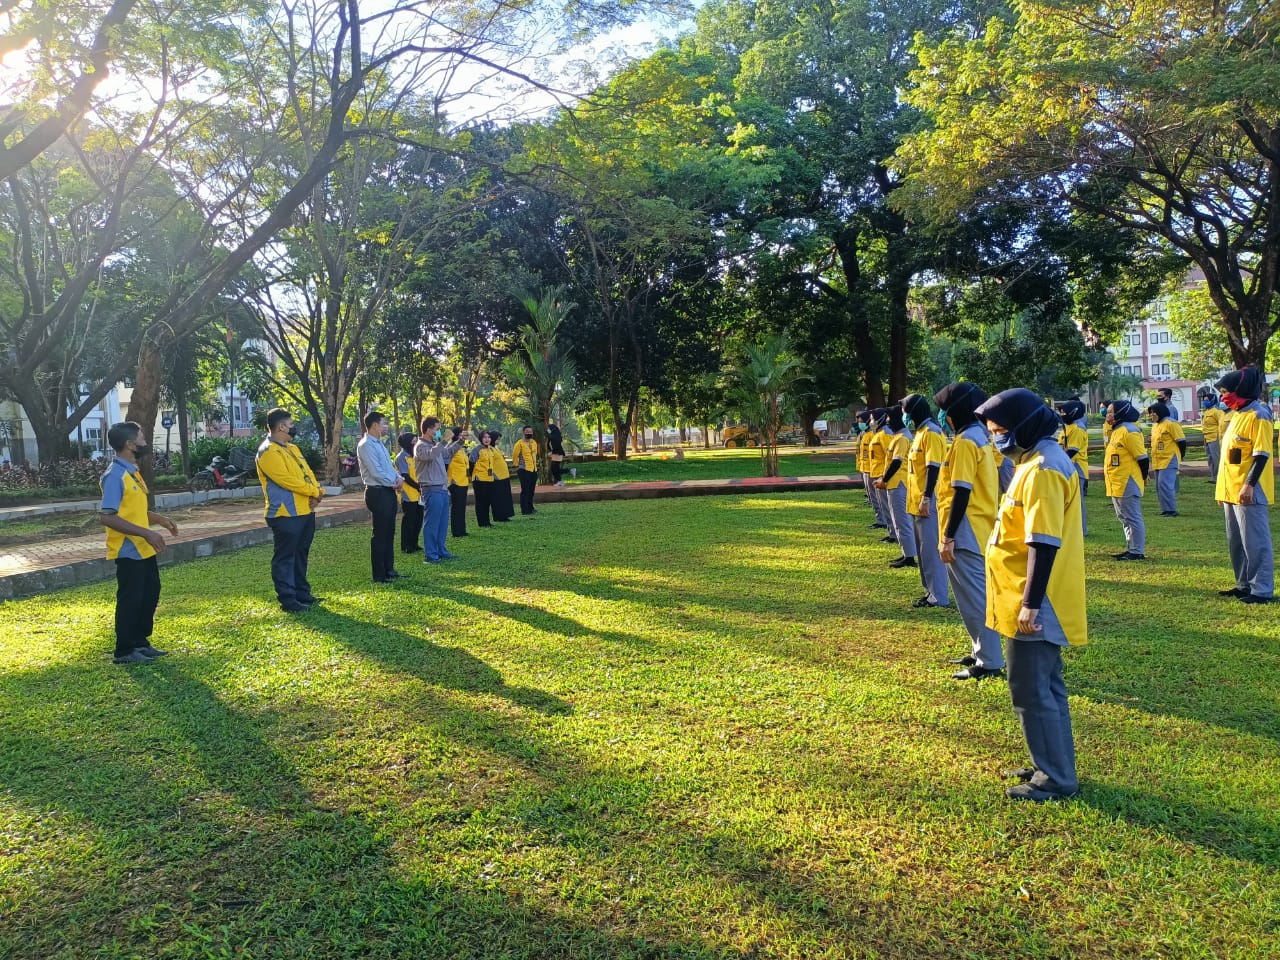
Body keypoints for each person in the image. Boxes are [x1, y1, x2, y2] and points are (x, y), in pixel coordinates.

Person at [975, 388, 1086, 802]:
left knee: (1031, 690)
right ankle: (1051, 764)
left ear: (1024, 425)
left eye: (1001, 431)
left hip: (1038, 601)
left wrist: (1031, 604)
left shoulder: (1043, 468)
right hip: (1022, 597)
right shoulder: (1031, 461)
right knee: (1046, 687)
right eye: (992, 431)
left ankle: (1055, 779)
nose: (996, 439)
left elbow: (1043, 542)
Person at [934, 383, 1004, 681]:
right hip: (977, 526)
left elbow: (961, 491)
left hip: (966, 530)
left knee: (974, 598)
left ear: (954, 413)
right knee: (974, 596)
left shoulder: (966, 441)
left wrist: (948, 536)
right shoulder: (979, 437)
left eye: (945, 411)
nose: (942, 416)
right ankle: (981, 650)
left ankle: (988, 660)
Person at [99, 421, 179, 664]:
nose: (146, 440)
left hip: (143, 548)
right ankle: (124, 650)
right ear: (130, 444)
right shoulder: (115, 475)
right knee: (131, 598)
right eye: (142, 436)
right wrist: (146, 533)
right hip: (127, 549)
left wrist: (160, 521)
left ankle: (141, 643)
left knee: (149, 594)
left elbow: (135, 511)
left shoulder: (132, 471)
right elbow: (107, 516)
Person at [1214, 367, 1274, 604]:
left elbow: (1261, 454)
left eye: (1226, 391)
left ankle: (1261, 589)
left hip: (1249, 488)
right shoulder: (1237, 414)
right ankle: (1243, 584)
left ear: (1241, 390)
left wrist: (1249, 484)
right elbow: (1229, 457)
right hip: (1230, 488)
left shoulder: (1260, 414)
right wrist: (1222, 489)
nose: (1223, 396)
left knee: (1255, 541)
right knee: (1236, 541)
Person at [256, 408, 324, 612]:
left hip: (305, 511)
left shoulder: (292, 448)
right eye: (291, 424)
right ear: (281, 426)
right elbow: (287, 481)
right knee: (285, 557)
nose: (294, 427)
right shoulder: (268, 451)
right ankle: (288, 599)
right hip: (285, 514)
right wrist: (314, 491)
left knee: (301, 553)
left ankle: (302, 593)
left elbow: (307, 472)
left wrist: (316, 493)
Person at [901, 394, 950, 608]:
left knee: (931, 550)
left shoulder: (931, 433)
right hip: (916, 501)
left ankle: (938, 595)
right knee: (923, 551)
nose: (904, 414)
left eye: (905, 410)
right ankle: (930, 592)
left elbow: (933, 467)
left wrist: (927, 496)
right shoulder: (920, 433)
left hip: (927, 501)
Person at [356, 410, 405, 584]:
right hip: (377, 492)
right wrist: (395, 482)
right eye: (384, 423)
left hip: (388, 491)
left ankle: (389, 569)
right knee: (380, 533)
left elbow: (389, 467)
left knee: (389, 531)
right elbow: (376, 472)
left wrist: (399, 478)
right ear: (375, 425)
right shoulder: (366, 445)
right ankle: (379, 574)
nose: (386, 426)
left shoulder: (379, 444)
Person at [415, 417, 469, 563]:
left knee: (442, 523)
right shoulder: (420, 446)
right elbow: (430, 455)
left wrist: (460, 442)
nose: (439, 431)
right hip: (431, 489)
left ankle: (441, 550)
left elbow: (447, 453)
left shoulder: (435, 445)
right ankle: (431, 555)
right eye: (437, 429)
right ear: (428, 429)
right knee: (432, 523)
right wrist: (444, 440)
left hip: (442, 488)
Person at [1103, 400, 1149, 561]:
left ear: (1120, 412)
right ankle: (1131, 548)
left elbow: (1142, 458)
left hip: (1128, 480)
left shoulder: (1130, 431)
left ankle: (1137, 551)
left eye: (1110, 411)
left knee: (1132, 517)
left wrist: (1144, 476)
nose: (1107, 414)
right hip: (1117, 480)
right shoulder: (1116, 430)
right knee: (1124, 517)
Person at [875, 406, 916, 568]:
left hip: (899, 483)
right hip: (893, 483)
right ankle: (906, 552)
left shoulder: (903, 438)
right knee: (897, 520)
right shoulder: (897, 437)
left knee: (902, 520)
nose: (888, 422)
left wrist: (884, 479)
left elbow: (897, 461)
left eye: (889, 418)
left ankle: (910, 556)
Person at [1147, 402, 1186, 517]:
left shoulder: (1171, 424)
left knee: (1165, 484)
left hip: (1169, 458)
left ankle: (1171, 510)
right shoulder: (1155, 426)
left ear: (1160, 412)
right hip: (1158, 459)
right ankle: (1165, 509)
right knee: (1159, 486)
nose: (1152, 415)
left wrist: (1181, 455)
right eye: (1151, 413)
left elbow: (1181, 441)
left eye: (1154, 412)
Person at [1058, 399, 1090, 535]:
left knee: (1077, 500)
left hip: (1077, 467)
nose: (1062, 414)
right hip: (1068, 466)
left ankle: (1082, 530)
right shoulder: (1067, 427)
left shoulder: (1077, 429)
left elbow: (1072, 451)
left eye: (1064, 412)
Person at [865, 409, 893, 535]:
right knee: (883, 505)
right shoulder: (878, 433)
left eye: (872, 418)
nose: (871, 421)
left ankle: (893, 534)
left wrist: (884, 475)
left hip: (882, 474)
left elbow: (890, 456)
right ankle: (890, 531)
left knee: (887, 506)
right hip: (875, 472)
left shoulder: (885, 434)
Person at [395, 432, 422, 554]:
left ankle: (414, 543)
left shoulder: (415, 456)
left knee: (418, 520)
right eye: (413, 441)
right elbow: (405, 475)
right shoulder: (401, 457)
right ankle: (406, 545)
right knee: (409, 521)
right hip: (408, 493)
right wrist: (418, 486)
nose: (415, 443)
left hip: (419, 493)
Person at [470, 431, 496, 527]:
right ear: (481, 438)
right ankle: (482, 522)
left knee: (488, 501)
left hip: (489, 479)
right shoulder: (476, 450)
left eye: (488, 437)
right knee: (481, 501)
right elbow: (471, 463)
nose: (487, 439)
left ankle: (487, 521)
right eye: (484, 437)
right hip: (479, 480)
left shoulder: (490, 450)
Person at [447, 433, 471, 539]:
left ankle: (462, 530)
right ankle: (456, 531)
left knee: (461, 507)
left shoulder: (461, 449)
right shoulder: (451, 448)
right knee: (456, 507)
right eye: (461, 435)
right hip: (455, 481)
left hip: (463, 480)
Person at [488, 431, 515, 521]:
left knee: (504, 497)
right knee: (498, 498)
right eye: (497, 439)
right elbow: (489, 464)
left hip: (504, 476)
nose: (499, 441)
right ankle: (499, 516)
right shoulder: (489, 449)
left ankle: (505, 514)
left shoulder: (496, 448)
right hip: (496, 477)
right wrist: (491, 476)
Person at [514, 425, 539, 515]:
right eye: (527, 431)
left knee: (531, 490)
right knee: (525, 490)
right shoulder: (519, 444)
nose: (529, 433)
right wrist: (518, 465)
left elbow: (535, 455)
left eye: (530, 432)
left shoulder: (534, 442)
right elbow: (515, 456)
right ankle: (524, 510)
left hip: (533, 470)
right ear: (523, 432)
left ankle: (530, 507)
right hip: (524, 470)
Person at [1201, 395, 1225, 484]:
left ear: (1212, 400)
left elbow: (1221, 424)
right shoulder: (1207, 411)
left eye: (1207, 400)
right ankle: (1213, 477)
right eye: (1204, 400)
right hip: (1207, 437)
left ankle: (1219, 477)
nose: (1205, 402)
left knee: (1216, 458)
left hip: (1215, 437)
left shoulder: (1216, 411)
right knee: (1210, 458)